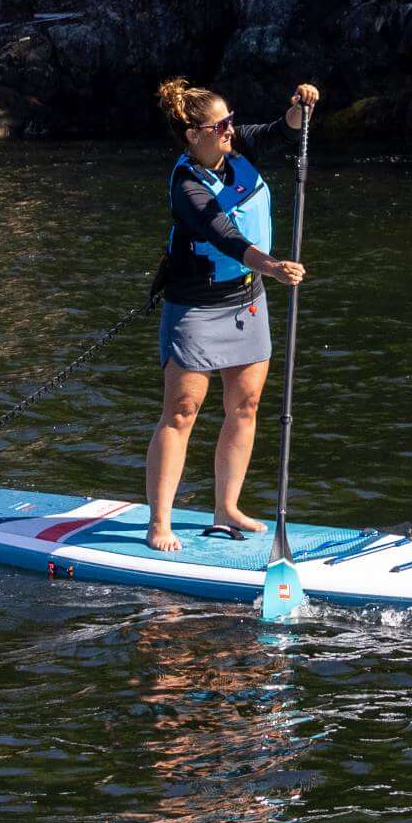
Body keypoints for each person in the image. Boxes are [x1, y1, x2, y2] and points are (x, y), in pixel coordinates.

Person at [144, 75, 318, 545]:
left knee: (245, 406)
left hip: (247, 301)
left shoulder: (238, 148)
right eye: (219, 125)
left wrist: (301, 107)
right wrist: (275, 267)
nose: (229, 130)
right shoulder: (186, 185)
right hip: (197, 307)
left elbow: (285, 130)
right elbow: (225, 235)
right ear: (192, 135)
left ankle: (227, 507)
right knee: (181, 412)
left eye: (230, 122)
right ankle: (160, 521)